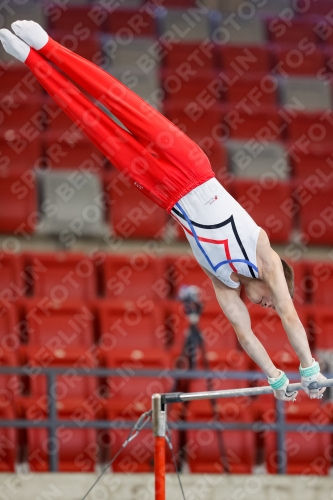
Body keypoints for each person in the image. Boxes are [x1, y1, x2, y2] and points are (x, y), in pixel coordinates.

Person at [0, 21, 326, 401]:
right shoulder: (264, 253)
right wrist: (309, 368)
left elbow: (245, 334)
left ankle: (28, 59)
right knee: (122, 101)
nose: (270, 305)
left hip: (164, 193)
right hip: (191, 167)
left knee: (98, 126)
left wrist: (275, 377)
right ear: (276, 284)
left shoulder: (222, 282)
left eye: (269, 304)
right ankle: (48, 46)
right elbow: (289, 315)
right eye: (274, 297)